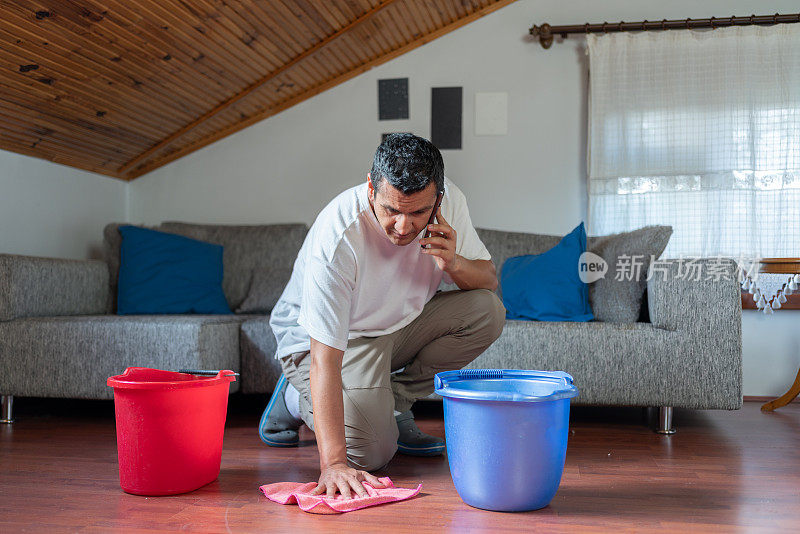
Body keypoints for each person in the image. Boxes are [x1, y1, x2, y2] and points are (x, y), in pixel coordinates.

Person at [261, 133, 505, 499]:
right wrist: (333, 465)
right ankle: (294, 399)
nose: (404, 227)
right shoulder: (339, 235)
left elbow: (489, 281)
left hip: (396, 328)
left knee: (487, 311)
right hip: (324, 344)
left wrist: (453, 262)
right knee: (369, 455)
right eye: (392, 210)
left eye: (417, 213)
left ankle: (392, 406)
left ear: (438, 198)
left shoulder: (451, 202)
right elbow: (324, 361)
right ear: (372, 187)